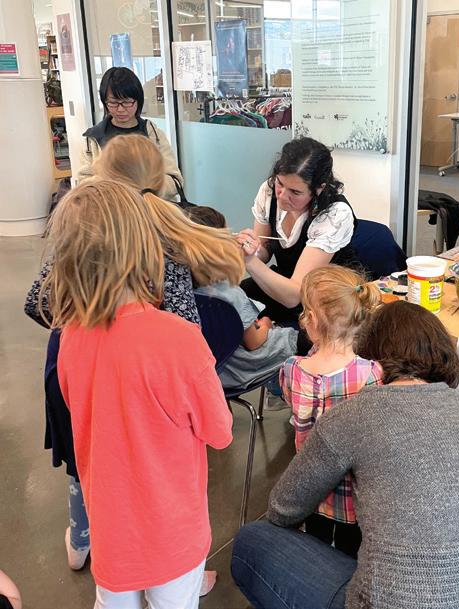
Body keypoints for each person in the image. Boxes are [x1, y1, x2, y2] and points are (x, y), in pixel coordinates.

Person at [25, 136, 243, 595]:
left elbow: (80, 415)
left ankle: (78, 540)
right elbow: (220, 432)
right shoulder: (180, 338)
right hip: (174, 537)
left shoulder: (71, 339)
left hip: (112, 534)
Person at [231, 301, 459, 609]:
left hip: (401, 599)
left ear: (370, 353)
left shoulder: (355, 412)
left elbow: (284, 507)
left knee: (253, 539)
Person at [280, 266, 383, 557]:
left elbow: (290, 403)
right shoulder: (372, 374)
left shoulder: (292, 369)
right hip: (354, 492)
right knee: (351, 554)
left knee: (316, 550)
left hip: (310, 486)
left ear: (311, 320)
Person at [236, 137, 357, 322]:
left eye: (295, 192)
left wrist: (249, 261)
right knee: (232, 302)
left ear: (319, 189)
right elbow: (265, 249)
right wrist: (249, 249)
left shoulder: (334, 214)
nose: (282, 196)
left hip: (326, 297)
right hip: (286, 281)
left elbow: (294, 296)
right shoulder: (269, 191)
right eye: (280, 183)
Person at [189, 205, 298, 389]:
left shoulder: (177, 290)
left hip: (203, 369)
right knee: (298, 338)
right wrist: (265, 324)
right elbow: (254, 342)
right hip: (235, 370)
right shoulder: (230, 294)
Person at [77, 67, 184, 201]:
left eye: (127, 102)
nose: (120, 109)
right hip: (113, 209)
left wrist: (145, 188)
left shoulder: (153, 134)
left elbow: (175, 180)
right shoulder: (93, 138)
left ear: (138, 100)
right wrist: (110, 183)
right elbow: (83, 185)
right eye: (113, 103)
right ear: (105, 102)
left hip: (152, 209)